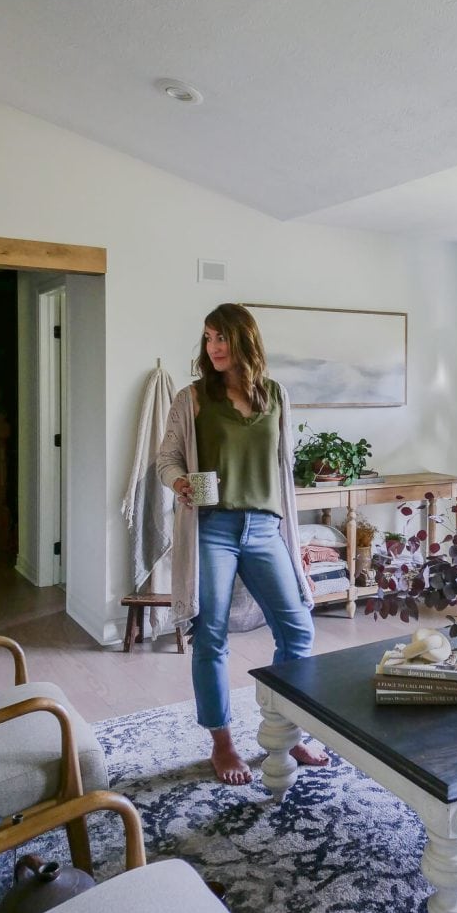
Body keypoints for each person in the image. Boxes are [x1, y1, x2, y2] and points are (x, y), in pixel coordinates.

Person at [157, 303, 329, 784]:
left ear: (244, 342)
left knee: (297, 630)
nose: (212, 347)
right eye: (208, 337)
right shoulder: (192, 398)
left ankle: (286, 732)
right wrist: (179, 483)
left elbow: (283, 468)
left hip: (264, 528)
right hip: (213, 527)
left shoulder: (276, 395)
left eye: (221, 338)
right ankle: (222, 742)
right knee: (210, 635)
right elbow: (166, 459)